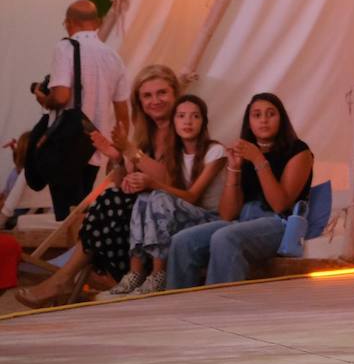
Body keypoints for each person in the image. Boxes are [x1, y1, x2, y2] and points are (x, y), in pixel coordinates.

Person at [14, 64, 180, 309]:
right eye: (147, 95)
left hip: (168, 209)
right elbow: (127, 180)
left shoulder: (184, 124)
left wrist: (129, 151)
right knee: (107, 199)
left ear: (175, 94)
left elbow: (166, 182)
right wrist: (114, 156)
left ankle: (65, 280)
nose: (155, 100)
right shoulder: (146, 133)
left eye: (162, 93)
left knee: (110, 203)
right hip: (141, 207)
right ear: (139, 101)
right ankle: (69, 279)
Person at [165, 93, 313, 289]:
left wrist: (259, 160)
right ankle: (180, 309)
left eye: (271, 114)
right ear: (249, 121)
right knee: (182, 241)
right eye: (257, 115)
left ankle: (219, 308)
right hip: (243, 220)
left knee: (225, 237)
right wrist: (234, 169)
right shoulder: (246, 151)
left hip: (280, 224)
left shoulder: (299, 151)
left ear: (282, 118)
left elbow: (280, 204)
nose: (264, 120)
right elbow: (227, 214)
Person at [98, 94, 227, 298]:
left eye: (195, 116)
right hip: (185, 216)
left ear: (203, 122)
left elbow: (192, 197)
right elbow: (167, 191)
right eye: (181, 116)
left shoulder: (215, 151)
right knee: (144, 198)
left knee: (158, 196)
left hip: (211, 218)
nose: (188, 121)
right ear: (173, 122)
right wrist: (135, 180)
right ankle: (136, 272)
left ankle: (159, 274)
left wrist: (153, 183)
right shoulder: (173, 154)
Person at [33, 0, 129, 218]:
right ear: (96, 23)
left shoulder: (65, 47)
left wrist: (43, 98)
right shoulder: (114, 57)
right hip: (96, 147)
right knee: (86, 211)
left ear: (69, 22)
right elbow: (123, 115)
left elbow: (61, 96)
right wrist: (118, 154)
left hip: (65, 145)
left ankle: (71, 251)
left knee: (67, 215)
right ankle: (80, 250)